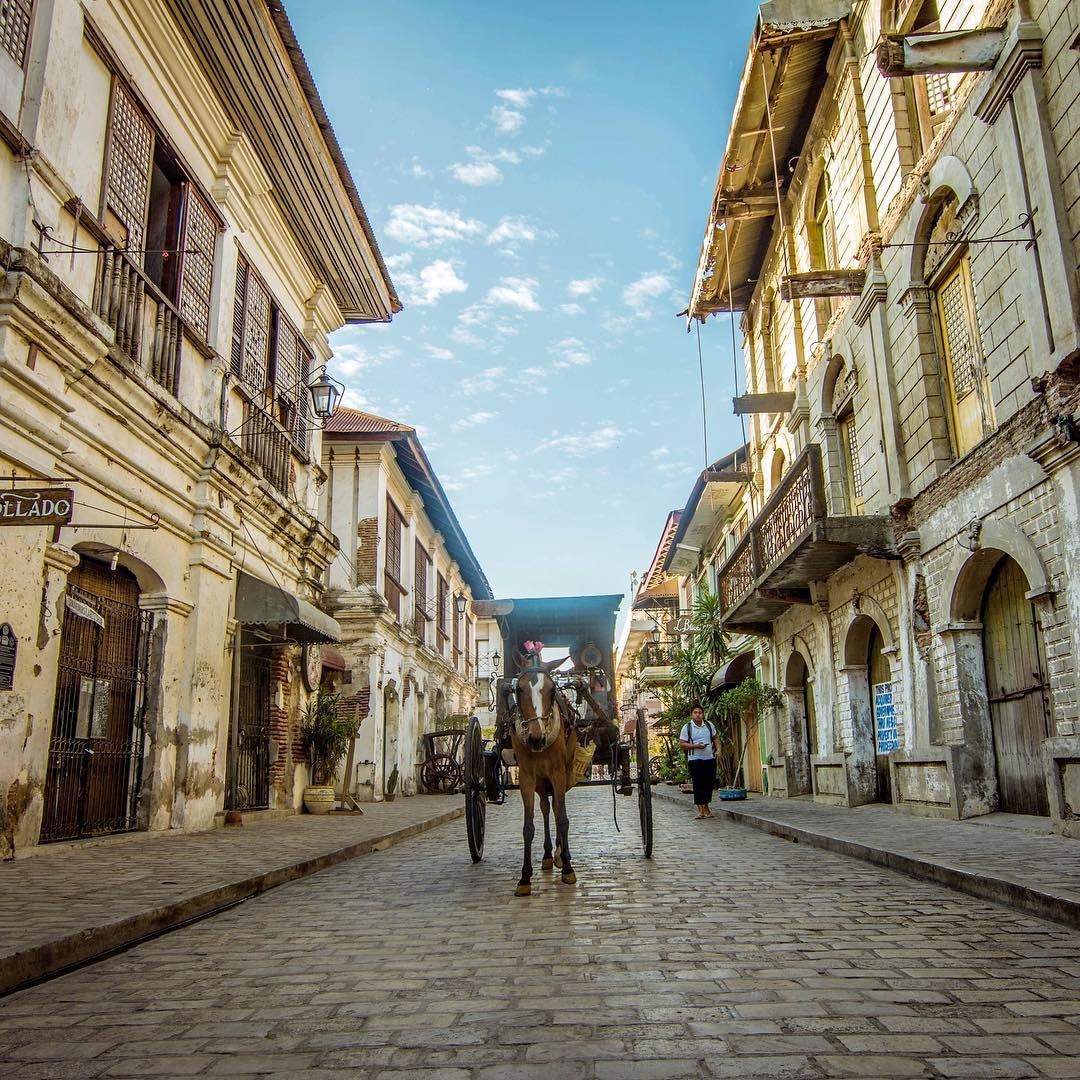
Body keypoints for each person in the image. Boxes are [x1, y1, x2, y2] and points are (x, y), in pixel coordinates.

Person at [679, 703, 719, 819]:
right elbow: (682, 744)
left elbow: (715, 738)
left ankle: (707, 808)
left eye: (700, 713)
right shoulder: (687, 727)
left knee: (708, 785)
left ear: (703, 714)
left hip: (709, 758)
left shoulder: (708, 725)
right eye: (695, 713)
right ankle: (700, 811)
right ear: (692, 714)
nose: (698, 715)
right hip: (695, 760)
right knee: (698, 785)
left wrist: (719, 750)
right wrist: (695, 746)